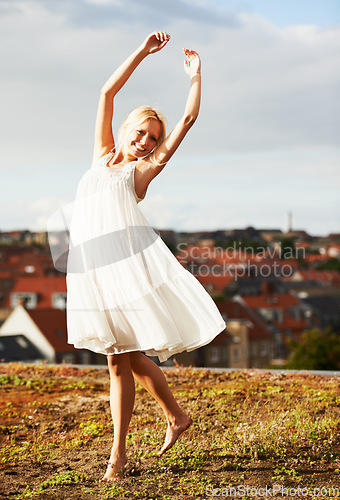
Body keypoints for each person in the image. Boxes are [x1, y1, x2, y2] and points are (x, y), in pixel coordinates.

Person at [65, 31, 227, 482]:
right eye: (141, 133)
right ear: (127, 129)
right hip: (90, 270)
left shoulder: (143, 172)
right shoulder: (101, 157)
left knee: (119, 360)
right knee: (130, 357)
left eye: (152, 138)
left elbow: (188, 121)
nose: (145, 142)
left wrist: (196, 78)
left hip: (123, 274)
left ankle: (117, 458)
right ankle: (176, 416)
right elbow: (106, 91)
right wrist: (141, 51)